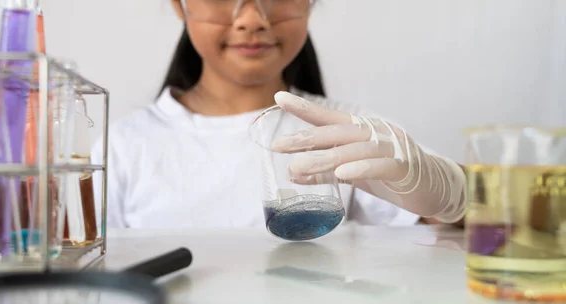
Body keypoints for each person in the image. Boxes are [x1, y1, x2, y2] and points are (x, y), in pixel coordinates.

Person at [91, 0, 466, 229]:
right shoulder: (121, 149)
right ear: (179, 4)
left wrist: (453, 193)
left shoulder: (348, 133)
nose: (252, 18)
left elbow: (503, 221)